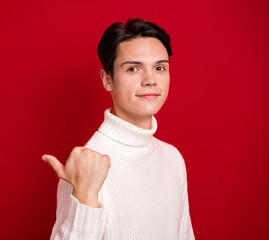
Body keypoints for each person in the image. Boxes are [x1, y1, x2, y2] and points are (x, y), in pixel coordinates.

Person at [42, 18, 195, 240]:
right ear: (107, 80)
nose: (151, 80)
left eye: (160, 68)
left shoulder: (172, 158)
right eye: (133, 68)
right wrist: (85, 196)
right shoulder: (87, 164)